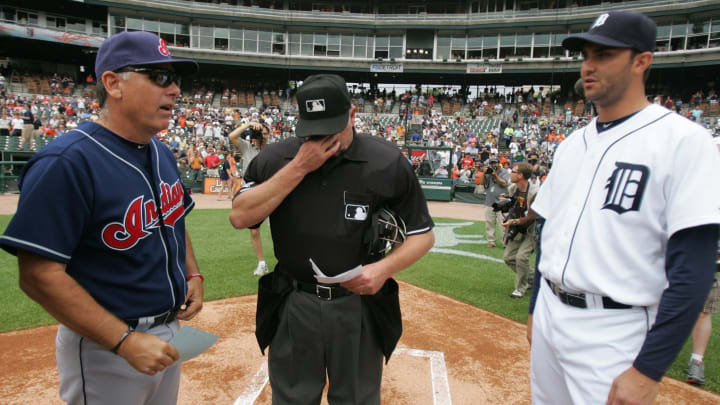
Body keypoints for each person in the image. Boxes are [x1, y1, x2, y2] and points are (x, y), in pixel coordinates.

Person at [0, 31, 204, 404]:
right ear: (113, 83)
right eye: (160, 77)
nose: (174, 89)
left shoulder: (160, 151)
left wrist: (192, 273)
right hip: (105, 347)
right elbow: (38, 275)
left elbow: (174, 219)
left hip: (168, 332)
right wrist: (122, 340)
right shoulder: (67, 162)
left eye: (176, 79)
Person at [527, 11, 720, 405]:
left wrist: (648, 369)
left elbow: (694, 268)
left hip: (615, 327)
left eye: (604, 54)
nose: (589, 66)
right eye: (585, 55)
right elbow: (549, 232)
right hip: (550, 311)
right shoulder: (570, 144)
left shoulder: (684, 141)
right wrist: (534, 307)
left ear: (641, 61)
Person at [230, 73, 435, 404]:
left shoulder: (386, 161)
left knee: (356, 399)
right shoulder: (277, 159)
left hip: (357, 305)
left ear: (353, 115)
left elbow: (423, 236)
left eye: (332, 127)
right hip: (295, 301)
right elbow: (240, 216)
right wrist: (299, 166)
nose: (322, 137)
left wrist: (382, 271)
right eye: (313, 129)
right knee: (293, 398)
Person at [229, 121, 272, 276]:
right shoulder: (247, 147)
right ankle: (261, 263)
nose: (264, 136)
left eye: (266, 133)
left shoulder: (272, 149)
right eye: (262, 133)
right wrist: (248, 125)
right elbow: (232, 136)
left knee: (277, 228)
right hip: (251, 194)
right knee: (254, 231)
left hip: (269, 192)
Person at [501, 162, 537, 299]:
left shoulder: (534, 192)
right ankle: (534, 280)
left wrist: (513, 221)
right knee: (509, 258)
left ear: (520, 175)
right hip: (517, 228)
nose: (510, 173)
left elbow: (531, 217)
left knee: (521, 258)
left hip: (531, 229)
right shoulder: (512, 188)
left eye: (513, 171)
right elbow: (514, 206)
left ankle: (520, 288)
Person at [483, 158, 509, 248]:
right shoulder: (488, 173)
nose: (494, 165)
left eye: (495, 163)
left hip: (502, 202)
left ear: (499, 163)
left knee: (503, 224)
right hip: (490, 201)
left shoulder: (504, 172)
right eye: (492, 163)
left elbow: (504, 183)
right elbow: (482, 183)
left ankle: (506, 242)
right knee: (489, 223)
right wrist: (483, 173)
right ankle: (491, 241)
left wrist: (495, 175)